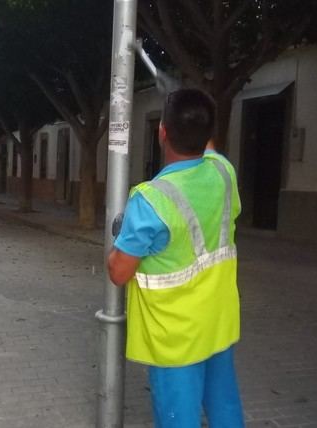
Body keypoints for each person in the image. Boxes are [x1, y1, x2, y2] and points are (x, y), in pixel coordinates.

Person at [107, 89, 244, 428]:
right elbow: (208, 149)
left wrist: (121, 236)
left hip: (176, 336)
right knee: (225, 406)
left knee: (177, 418)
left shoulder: (151, 200)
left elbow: (119, 272)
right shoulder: (223, 173)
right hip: (217, 321)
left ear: (162, 132)